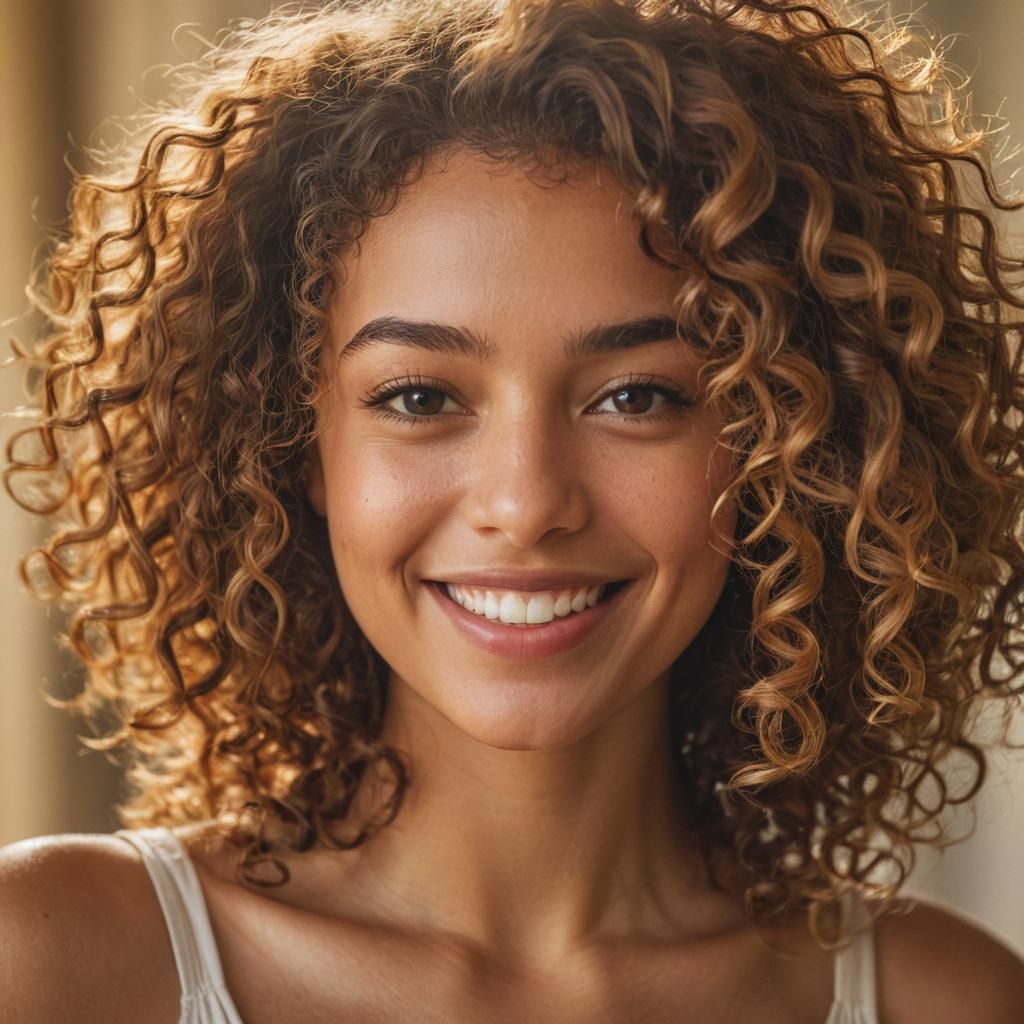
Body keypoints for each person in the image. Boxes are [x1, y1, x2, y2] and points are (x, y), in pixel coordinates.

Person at [3, 0, 1024, 1019]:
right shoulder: (52, 960)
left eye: (637, 396)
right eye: (419, 398)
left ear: (786, 443)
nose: (526, 503)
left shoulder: (942, 1000)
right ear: (291, 444)